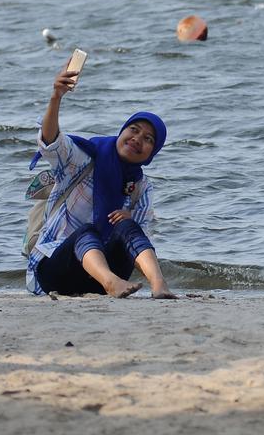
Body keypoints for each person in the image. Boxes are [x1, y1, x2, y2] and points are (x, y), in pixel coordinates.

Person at [25, 61, 177, 299]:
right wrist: (56, 97)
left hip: (107, 270)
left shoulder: (141, 186)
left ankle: (159, 284)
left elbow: (141, 237)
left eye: (148, 139)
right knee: (87, 232)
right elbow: (52, 142)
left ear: (151, 154)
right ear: (122, 132)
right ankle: (110, 283)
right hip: (58, 270)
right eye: (134, 130)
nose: (138, 138)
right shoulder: (84, 160)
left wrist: (130, 220)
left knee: (128, 225)